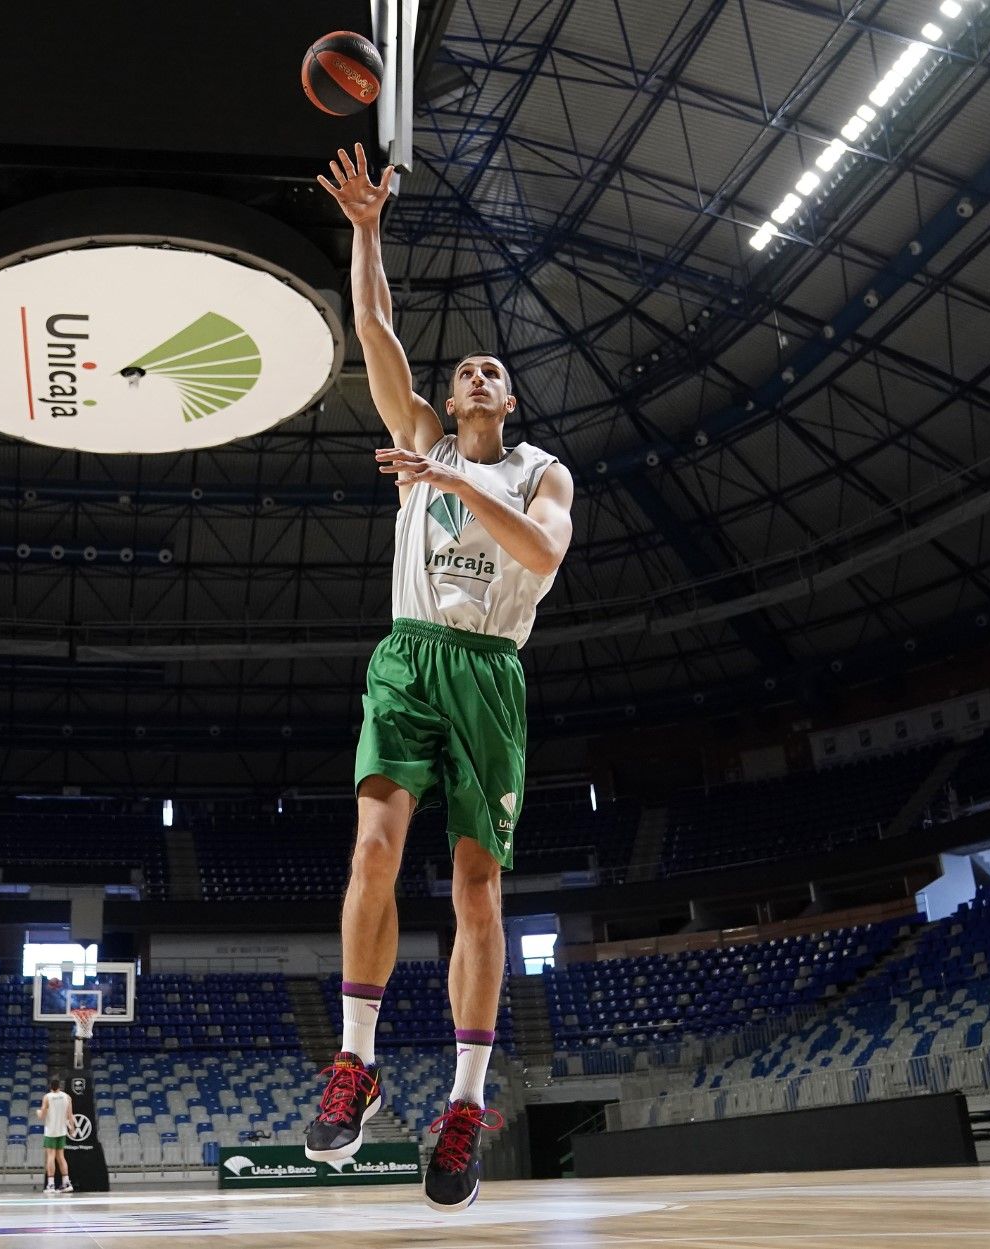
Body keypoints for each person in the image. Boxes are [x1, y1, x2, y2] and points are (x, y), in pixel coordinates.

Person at [305, 144, 575, 1214]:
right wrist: (367, 227)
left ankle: (462, 1099)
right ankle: (356, 1060)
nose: (473, 375)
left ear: (505, 402)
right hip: (408, 656)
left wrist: (451, 482)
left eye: (490, 372)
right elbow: (373, 332)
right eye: (462, 368)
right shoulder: (417, 433)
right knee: (372, 845)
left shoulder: (536, 470)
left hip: (490, 674)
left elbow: (542, 557)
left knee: (475, 887)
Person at [36, 1075, 75, 1193]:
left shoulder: (47, 1097)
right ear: (60, 1086)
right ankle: (66, 1183)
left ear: (50, 1086)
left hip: (50, 1131)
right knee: (61, 1157)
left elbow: (42, 1116)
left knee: (51, 1157)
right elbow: (70, 1115)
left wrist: (38, 1112)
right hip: (61, 1130)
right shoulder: (67, 1097)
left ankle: (51, 1185)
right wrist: (72, 1129)